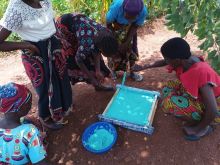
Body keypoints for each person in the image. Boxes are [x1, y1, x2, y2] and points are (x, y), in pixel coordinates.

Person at [0, 0, 72, 130]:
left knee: (60, 78)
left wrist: (58, 37)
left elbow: (50, 20)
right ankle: (45, 117)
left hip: (53, 45)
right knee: (44, 87)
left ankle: (60, 108)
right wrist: (26, 45)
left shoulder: (44, 1)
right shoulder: (16, 9)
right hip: (36, 51)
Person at [132, 37, 220, 140]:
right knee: (168, 87)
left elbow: (213, 109)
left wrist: (198, 129)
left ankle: (204, 127)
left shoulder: (201, 72)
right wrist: (144, 67)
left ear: (177, 60)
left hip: (215, 108)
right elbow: (164, 62)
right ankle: (193, 110)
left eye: (167, 59)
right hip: (200, 97)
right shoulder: (186, 59)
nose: (166, 61)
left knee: (169, 104)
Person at [56, 13, 118, 91]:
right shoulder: (87, 43)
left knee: (98, 65)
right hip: (64, 28)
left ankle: (97, 84)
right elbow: (78, 60)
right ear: (102, 49)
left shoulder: (106, 33)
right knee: (75, 59)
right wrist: (91, 78)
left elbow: (96, 50)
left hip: (81, 29)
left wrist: (98, 71)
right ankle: (67, 93)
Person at [0, 83, 49, 165]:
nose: (31, 104)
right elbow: (41, 163)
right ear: (19, 108)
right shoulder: (29, 131)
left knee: (27, 119)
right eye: (29, 103)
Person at [106, 0, 148, 81]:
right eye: (127, 16)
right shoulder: (117, 7)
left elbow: (135, 26)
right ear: (123, 9)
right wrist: (115, 42)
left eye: (132, 17)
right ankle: (113, 70)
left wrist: (126, 42)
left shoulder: (143, 11)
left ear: (137, 15)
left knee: (131, 50)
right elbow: (108, 24)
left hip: (131, 29)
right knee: (114, 50)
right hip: (115, 27)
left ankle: (132, 72)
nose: (128, 19)